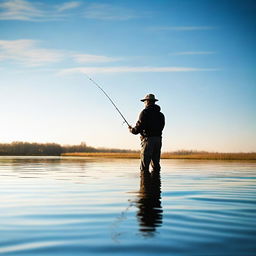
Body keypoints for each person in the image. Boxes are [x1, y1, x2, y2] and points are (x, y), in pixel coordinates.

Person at [129, 94, 165, 172]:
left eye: (144, 101)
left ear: (147, 102)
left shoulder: (145, 112)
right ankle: (156, 183)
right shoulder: (161, 115)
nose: (144, 103)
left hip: (148, 140)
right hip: (158, 140)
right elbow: (162, 127)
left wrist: (131, 130)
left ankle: (145, 183)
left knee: (144, 166)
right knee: (156, 164)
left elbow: (138, 128)